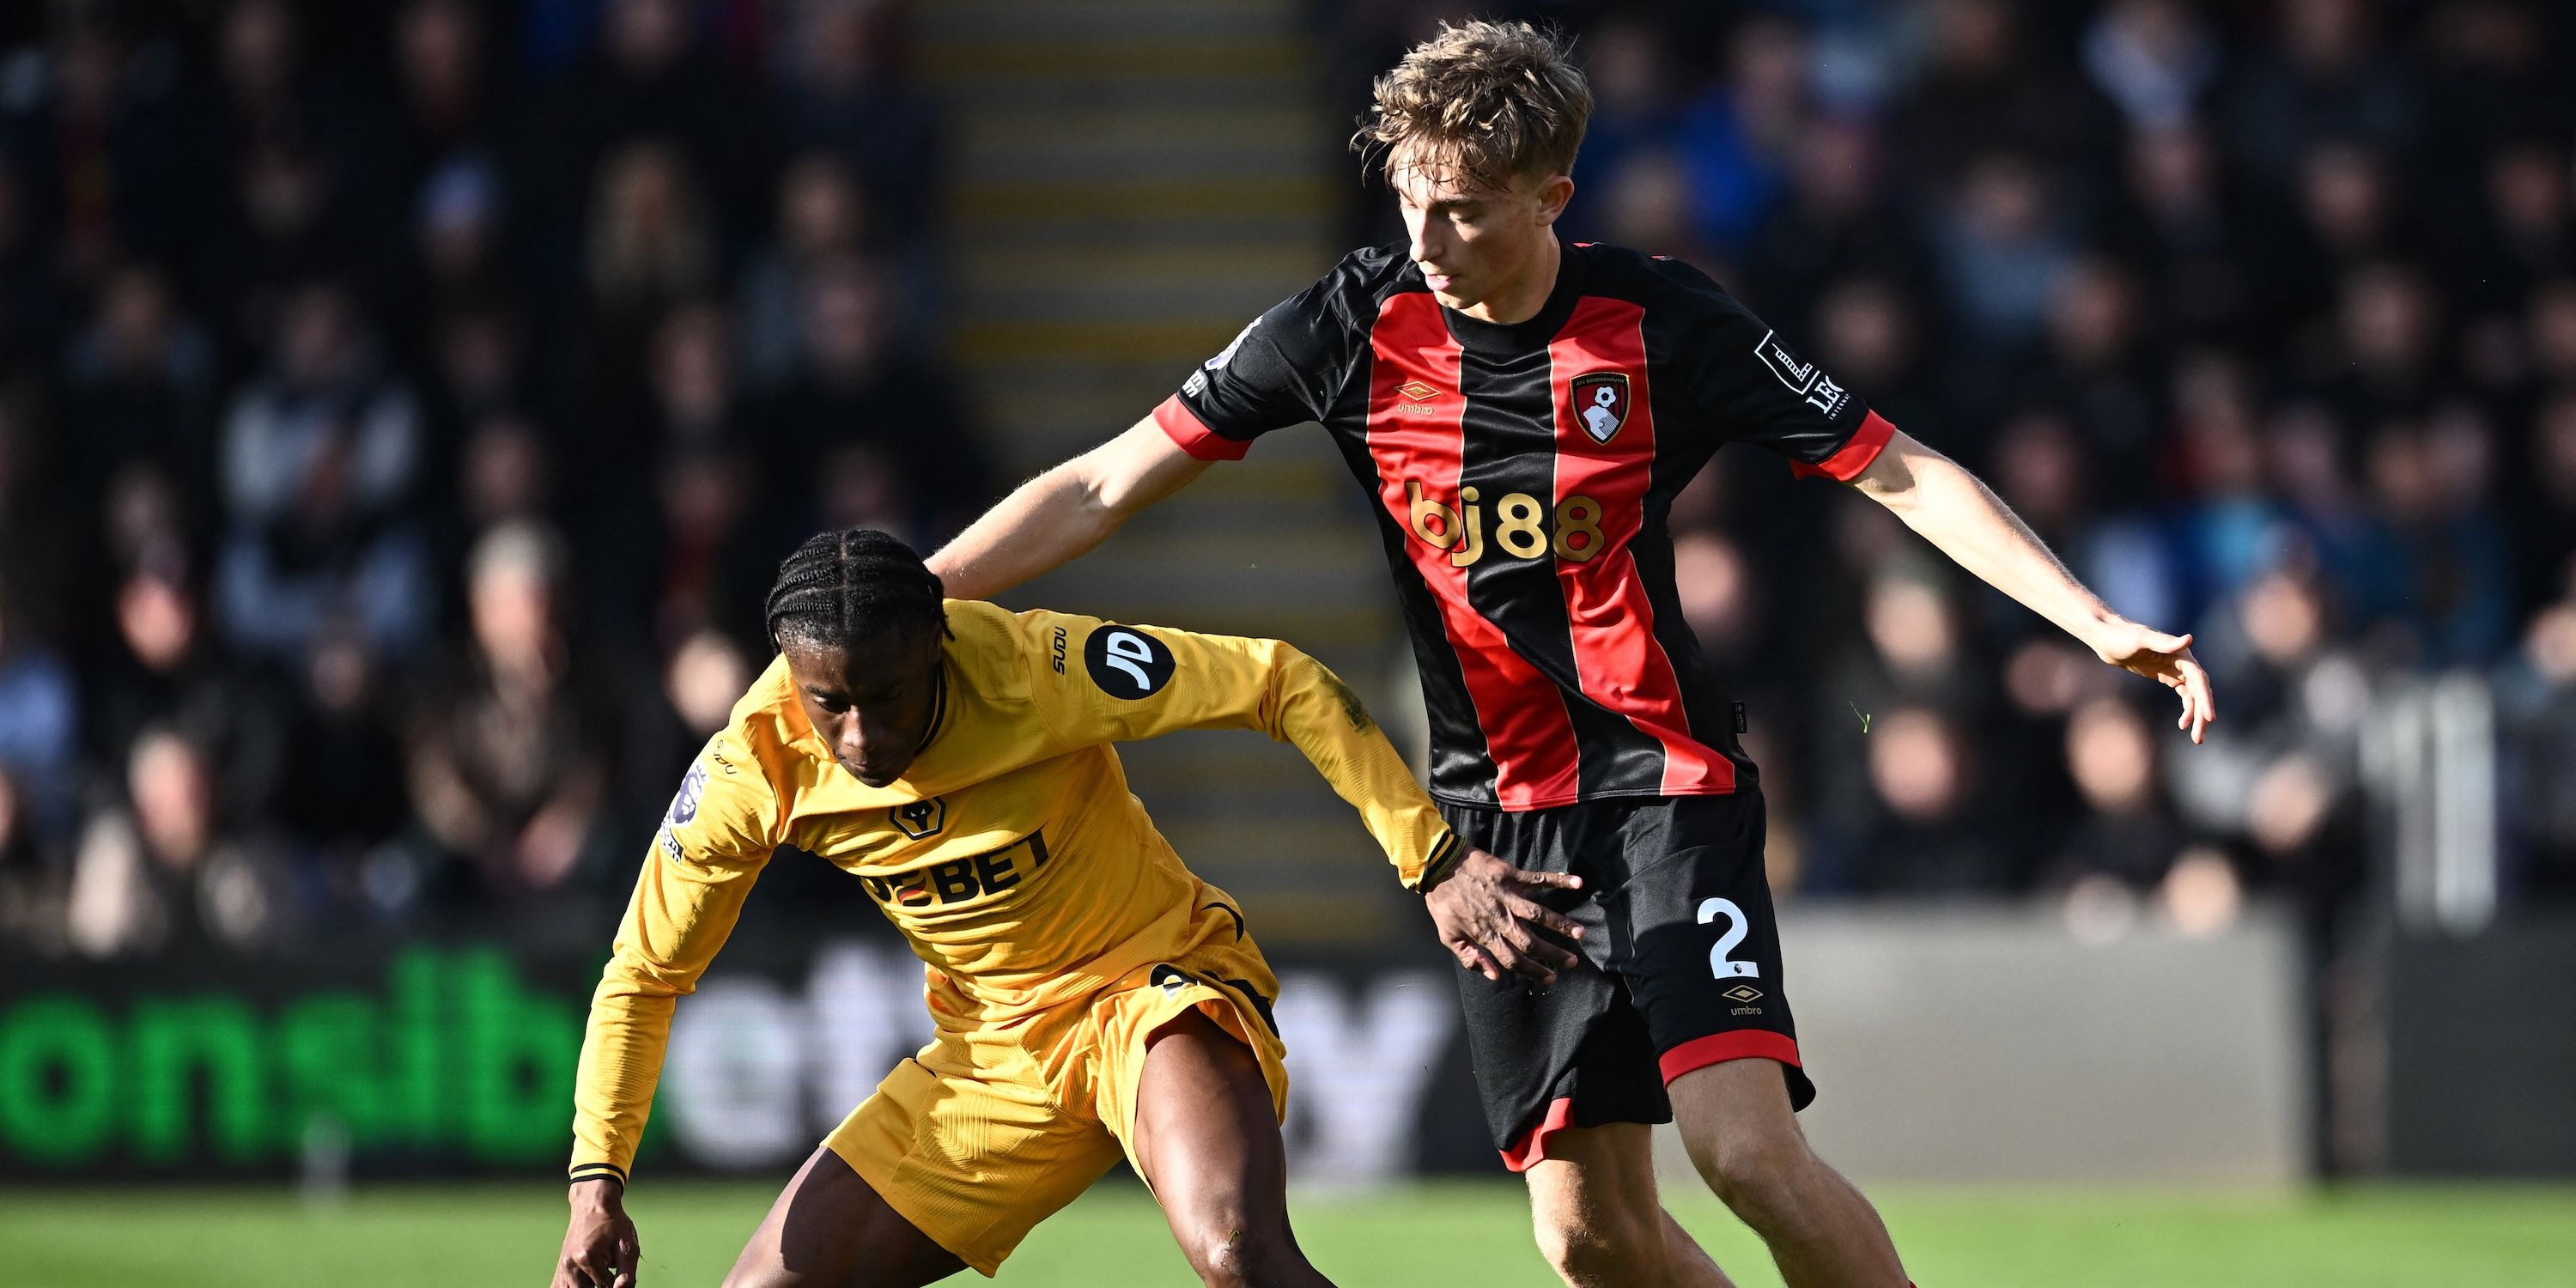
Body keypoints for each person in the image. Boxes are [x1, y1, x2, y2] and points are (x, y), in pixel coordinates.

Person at [927, 21, 2216, 1288]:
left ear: (1555, 197)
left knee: (1748, 1158)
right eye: (1412, 201)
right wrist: (919, 595)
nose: (1427, 242)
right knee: (1586, 1241)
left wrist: (2093, 620)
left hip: (1666, 792)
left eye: (1467, 212)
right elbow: (1103, 486)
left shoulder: (1662, 326)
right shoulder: (1348, 324)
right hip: (1497, 836)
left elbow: (1900, 471)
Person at [551, 529, 1506, 1288]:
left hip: (1151, 987)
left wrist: (1427, 856)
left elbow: (1280, 679)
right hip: (995, 1053)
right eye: (828, 702)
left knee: (1238, 1253)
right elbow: (643, 974)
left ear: (938, 643)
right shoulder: (751, 768)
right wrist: (596, 1184)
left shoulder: (1034, 667)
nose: (860, 735)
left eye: (885, 697)